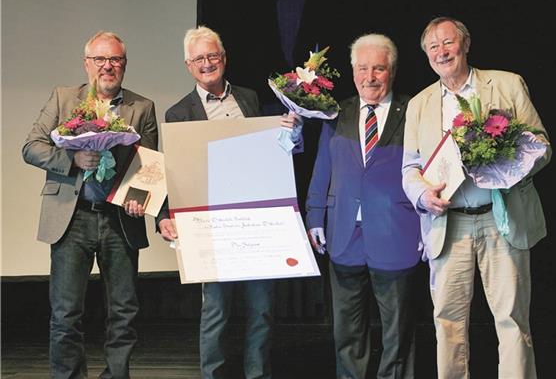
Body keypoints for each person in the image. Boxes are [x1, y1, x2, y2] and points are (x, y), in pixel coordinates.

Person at [402, 17, 552, 378]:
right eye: (433, 47)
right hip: (448, 224)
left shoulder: (506, 84)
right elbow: (410, 169)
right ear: (426, 56)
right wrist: (424, 196)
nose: (442, 52)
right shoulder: (420, 103)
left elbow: (542, 148)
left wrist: (505, 166)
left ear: (465, 45)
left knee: (512, 320)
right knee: (447, 322)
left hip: (501, 219)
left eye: (448, 43)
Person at [156, 25, 301, 379]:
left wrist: (290, 135)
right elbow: (170, 170)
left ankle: (257, 374)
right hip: (209, 225)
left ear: (224, 59)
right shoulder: (178, 113)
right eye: (200, 58)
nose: (208, 63)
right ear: (189, 66)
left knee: (262, 308)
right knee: (216, 311)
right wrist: (163, 215)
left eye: (213, 56)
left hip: (256, 220)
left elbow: (271, 154)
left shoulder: (249, 99)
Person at [22, 31, 159, 378]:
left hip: (119, 221)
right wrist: (72, 160)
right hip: (72, 219)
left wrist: (139, 199)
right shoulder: (63, 98)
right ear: (87, 64)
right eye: (100, 59)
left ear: (124, 65)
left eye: (115, 60)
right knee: (66, 315)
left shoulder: (142, 107)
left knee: (124, 313)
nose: (108, 66)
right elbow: (32, 146)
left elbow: (150, 165)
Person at [306, 33, 421, 379]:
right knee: (347, 332)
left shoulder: (414, 111)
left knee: (397, 334)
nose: (370, 77)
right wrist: (314, 217)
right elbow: (322, 168)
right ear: (353, 70)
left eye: (379, 69)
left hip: (396, 233)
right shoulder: (337, 112)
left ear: (393, 71)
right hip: (343, 234)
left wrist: (428, 224)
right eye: (363, 68)